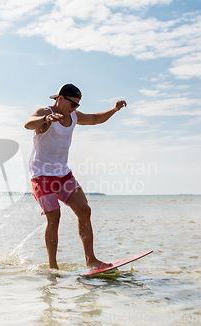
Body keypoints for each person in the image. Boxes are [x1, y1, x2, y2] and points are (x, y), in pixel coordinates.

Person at [24, 84, 127, 270]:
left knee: (84, 210)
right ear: (61, 98)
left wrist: (114, 109)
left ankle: (91, 260)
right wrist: (45, 119)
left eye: (78, 105)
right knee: (54, 217)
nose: (75, 109)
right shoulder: (45, 113)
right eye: (73, 104)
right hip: (41, 175)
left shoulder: (73, 116)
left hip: (63, 173)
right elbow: (28, 123)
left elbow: (95, 118)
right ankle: (53, 268)